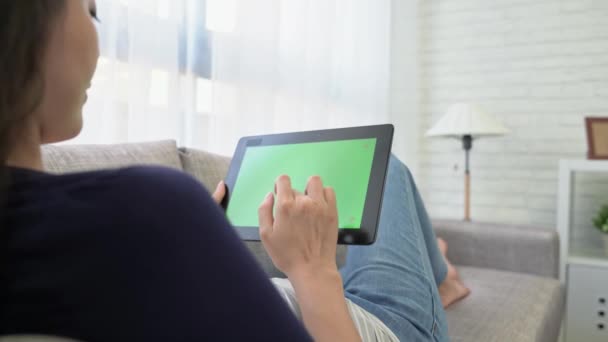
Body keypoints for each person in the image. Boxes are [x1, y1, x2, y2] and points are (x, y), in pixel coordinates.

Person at [0, 1, 469, 341]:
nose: (96, 33)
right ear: (28, 26)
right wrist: (312, 269)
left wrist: (197, 247)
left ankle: (436, 265)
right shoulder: (151, 207)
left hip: (316, 300)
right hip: (364, 321)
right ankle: (440, 271)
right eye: (91, 10)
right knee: (387, 168)